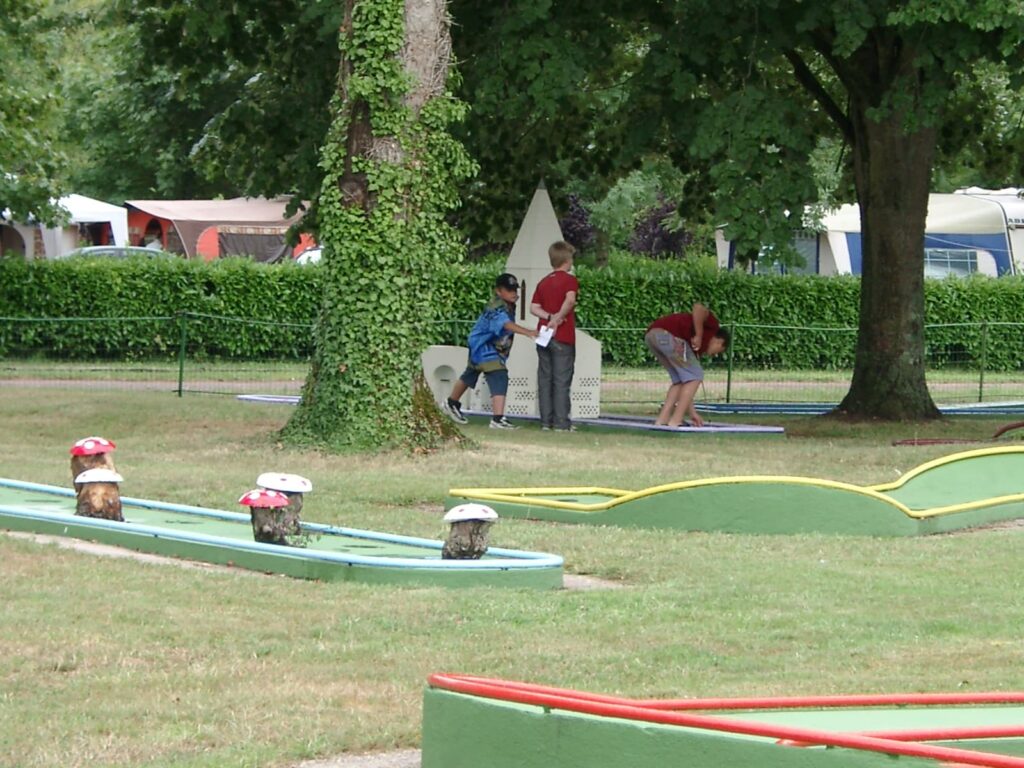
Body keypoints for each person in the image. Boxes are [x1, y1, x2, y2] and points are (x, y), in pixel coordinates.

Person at [442, 273, 537, 429]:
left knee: (470, 373)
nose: (514, 293)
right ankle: (498, 419)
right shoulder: (497, 306)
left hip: (482, 344)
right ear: (498, 291)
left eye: (515, 289)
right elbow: (505, 324)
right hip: (484, 346)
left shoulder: (507, 305)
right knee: (499, 375)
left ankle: (451, 403)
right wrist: (528, 332)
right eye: (509, 290)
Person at [645, 303, 730, 428]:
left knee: (680, 381)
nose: (715, 355)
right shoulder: (713, 326)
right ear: (719, 342)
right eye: (719, 351)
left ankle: (662, 420)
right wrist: (699, 335)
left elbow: (687, 385)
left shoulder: (696, 350)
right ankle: (676, 421)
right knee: (696, 375)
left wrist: (693, 413)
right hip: (667, 335)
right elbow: (698, 307)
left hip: (652, 336)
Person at [530, 241, 579, 431]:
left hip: (543, 335)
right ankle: (561, 422)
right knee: (561, 379)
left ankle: (545, 421)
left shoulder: (543, 282)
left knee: (545, 378)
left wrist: (548, 318)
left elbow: (534, 308)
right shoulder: (569, 280)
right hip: (563, 335)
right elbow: (570, 300)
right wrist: (558, 318)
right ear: (567, 260)